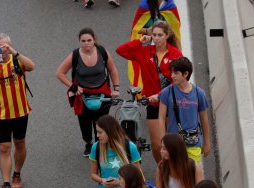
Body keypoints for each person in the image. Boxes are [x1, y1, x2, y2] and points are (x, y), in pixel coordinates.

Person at [116, 21, 182, 163]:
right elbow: (120, 50)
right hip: (153, 105)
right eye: (154, 35)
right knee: (157, 144)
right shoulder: (144, 52)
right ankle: (162, 168)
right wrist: (139, 41)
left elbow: (181, 81)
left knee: (171, 142)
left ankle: (173, 168)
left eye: (160, 35)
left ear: (167, 35)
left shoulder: (175, 54)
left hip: (171, 103)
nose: (156, 38)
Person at [0, 33, 35, 188]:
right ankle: (6, 184)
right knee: (4, 148)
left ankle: (17, 173)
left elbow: (32, 66)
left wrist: (14, 52)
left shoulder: (17, 60)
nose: (2, 49)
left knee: (19, 144)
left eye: (5, 46)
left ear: (9, 46)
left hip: (20, 112)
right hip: (1, 114)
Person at [57, 28, 120, 158]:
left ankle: (100, 145)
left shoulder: (102, 52)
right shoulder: (75, 55)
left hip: (103, 93)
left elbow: (113, 70)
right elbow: (59, 73)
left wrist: (116, 88)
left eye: (89, 40)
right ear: (79, 42)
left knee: (101, 122)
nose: (86, 43)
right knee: (85, 123)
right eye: (83, 41)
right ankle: (89, 142)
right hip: (82, 95)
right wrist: (73, 86)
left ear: (94, 40)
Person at [157, 57, 211, 165]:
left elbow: (204, 119)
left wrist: (207, 142)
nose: (172, 76)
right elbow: (161, 118)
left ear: (186, 74)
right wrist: (163, 141)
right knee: (176, 177)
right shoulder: (166, 92)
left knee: (193, 176)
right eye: (171, 72)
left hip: (193, 144)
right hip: (173, 144)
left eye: (176, 73)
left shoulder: (199, 93)